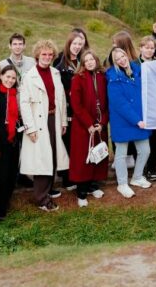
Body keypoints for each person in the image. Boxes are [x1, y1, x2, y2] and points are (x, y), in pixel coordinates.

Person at [19, 40, 69, 211]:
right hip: (38, 121)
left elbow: (61, 98)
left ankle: (49, 189)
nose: (47, 57)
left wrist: (63, 121)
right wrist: (30, 128)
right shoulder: (29, 76)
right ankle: (41, 198)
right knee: (41, 159)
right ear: (37, 55)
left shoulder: (55, 73)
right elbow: (24, 103)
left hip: (54, 118)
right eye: (44, 54)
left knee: (53, 155)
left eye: (50, 54)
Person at [106, 47, 151, 198]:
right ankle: (122, 183)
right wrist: (136, 120)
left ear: (127, 55)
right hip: (123, 120)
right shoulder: (113, 78)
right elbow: (120, 104)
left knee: (145, 150)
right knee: (121, 154)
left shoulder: (137, 70)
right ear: (114, 62)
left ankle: (137, 177)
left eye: (123, 56)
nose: (121, 60)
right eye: (117, 59)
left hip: (139, 117)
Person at [69, 49, 109, 207]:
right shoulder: (78, 78)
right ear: (83, 64)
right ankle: (81, 192)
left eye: (92, 59)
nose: (90, 62)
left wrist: (102, 122)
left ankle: (93, 185)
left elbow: (108, 102)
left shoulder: (102, 77)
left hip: (99, 125)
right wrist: (89, 124)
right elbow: (76, 105)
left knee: (98, 155)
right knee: (83, 158)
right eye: (86, 61)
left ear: (96, 60)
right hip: (83, 126)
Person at [0, 65, 22, 220]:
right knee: (0, 177)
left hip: (13, 141)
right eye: (8, 76)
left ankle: (4, 202)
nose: (10, 80)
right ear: (1, 76)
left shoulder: (14, 95)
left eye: (13, 78)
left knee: (11, 175)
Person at [54, 29, 88, 191]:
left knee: (79, 144)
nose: (77, 47)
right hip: (66, 109)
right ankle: (67, 177)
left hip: (81, 108)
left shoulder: (83, 60)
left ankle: (80, 174)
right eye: (75, 43)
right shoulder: (59, 61)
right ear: (69, 43)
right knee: (67, 143)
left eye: (80, 44)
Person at [138, 35, 156, 182]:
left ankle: (152, 167)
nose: (149, 50)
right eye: (146, 47)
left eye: (152, 48)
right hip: (139, 106)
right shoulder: (134, 64)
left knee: (155, 139)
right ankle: (141, 168)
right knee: (140, 139)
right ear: (140, 48)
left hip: (155, 107)